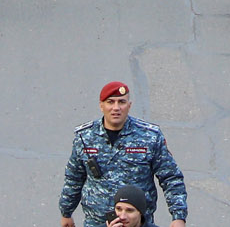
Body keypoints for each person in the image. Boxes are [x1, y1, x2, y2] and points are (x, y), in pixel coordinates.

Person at [58, 80, 189, 227]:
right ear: (101, 106)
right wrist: (66, 212)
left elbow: (170, 177)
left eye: (121, 102)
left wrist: (178, 216)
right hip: (96, 221)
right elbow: (74, 178)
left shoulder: (149, 136)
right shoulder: (84, 137)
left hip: (136, 222)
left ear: (129, 105)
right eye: (110, 102)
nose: (116, 108)